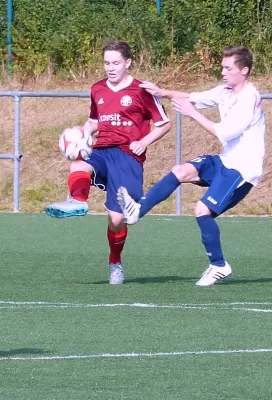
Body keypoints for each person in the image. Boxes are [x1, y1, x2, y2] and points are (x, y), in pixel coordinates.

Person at [117, 45, 265, 287]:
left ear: (244, 70)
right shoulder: (226, 90)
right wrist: (161, 91)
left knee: (201, 211)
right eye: (222, 67)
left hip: (243, 170)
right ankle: (137, 211)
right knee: (180, 171)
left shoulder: (249, 98)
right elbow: (193, 97)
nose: (223, 72)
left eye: (228, 68)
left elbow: (223, 133)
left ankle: (219, 265)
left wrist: (192, 114)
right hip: (226, 160)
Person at [45, 40, 171, 285]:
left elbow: (164, 124)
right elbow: (94, 121)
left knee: (116, 220)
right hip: (102, 149)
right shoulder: (97, 89)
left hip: (128, 156)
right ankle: (78, 202)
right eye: (106, 63)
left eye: (115, 63)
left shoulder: (142, 90)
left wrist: (144, 142)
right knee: (79, 163)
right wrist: (82, 135)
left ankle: (115, 262)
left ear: (128, 63)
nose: (110, 68)